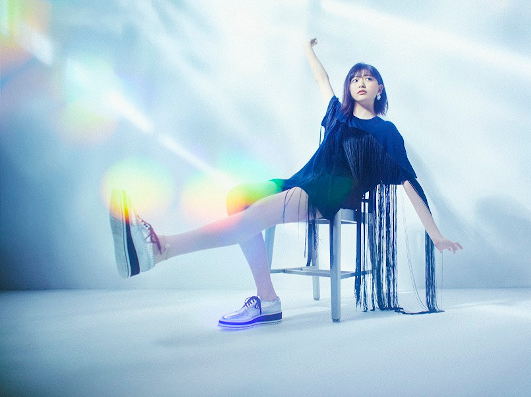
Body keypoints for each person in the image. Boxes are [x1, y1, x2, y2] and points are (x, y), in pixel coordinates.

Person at [110, 38, 462, 329]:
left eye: (368, 78)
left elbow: (408, 182)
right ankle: (267, 299)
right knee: (238, 197)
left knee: (256, 215)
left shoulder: (386, 131)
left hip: (333, 191)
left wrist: (435, 234)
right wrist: (307, 49)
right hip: (304, 179)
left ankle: (162, 248)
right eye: (355, 78)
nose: (360, 82)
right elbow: (322, 78)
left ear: (379, 88)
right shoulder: (337, 114)